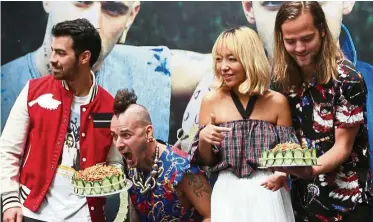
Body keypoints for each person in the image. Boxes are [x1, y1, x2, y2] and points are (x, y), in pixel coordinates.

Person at [177, 2, 373, 171]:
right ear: (248, 7)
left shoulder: (352, 80)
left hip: (342, 205)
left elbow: (339, 149)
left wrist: (304, 171)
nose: (294, 12)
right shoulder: (210, 92)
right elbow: (199, 168)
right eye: (274, 1)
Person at [0, 18, 123, 222]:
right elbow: (8, 150)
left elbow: (114, 163)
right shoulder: (33, 92)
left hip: (86, 216)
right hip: (31, 212)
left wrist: (110, 179)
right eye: (53, 51)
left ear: (84, 57)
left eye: (61, 53)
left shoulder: (109, 108)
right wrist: (10, 200)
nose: (52, 59)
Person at [1, 1, 176, 142]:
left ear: (131, 16)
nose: (93, 23)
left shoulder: (149, 68)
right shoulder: (8, 86)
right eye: (82, 2)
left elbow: (202, 68)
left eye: (113, 9)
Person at [271, 2, 372, 221]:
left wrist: (310, 170)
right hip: (301, 203)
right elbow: (283, 137)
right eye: (290, 41)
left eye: (307, 38)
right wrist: (281, 169)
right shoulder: (280, 81)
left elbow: (343, 147)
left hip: (347, 206)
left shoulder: (348, 79)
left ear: (323, 31)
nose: (299, 48)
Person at [188, 26, 296, 222]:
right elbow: (208, 161)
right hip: (227, 191)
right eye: (219, 59)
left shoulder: (277, 102)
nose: (223, 67)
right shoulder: (210, 101)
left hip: (268, 191)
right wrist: (204, 139)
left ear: (251, 59)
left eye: (232, 59)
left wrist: (282, 172)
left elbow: (290, 153)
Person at [110, 89, 211, 222]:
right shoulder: (131, 165)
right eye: (114, 136)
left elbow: (212, 215)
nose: (118, 144)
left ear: (148, 133)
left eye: (126, 135)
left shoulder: (183, 169)